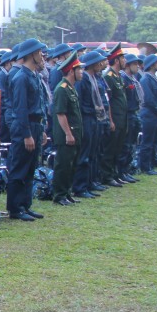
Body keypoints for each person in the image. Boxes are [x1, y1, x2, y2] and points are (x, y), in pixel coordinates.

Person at [5, 38, 48, 222]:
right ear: (31, 54)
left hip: (35, 124)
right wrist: (27, 134)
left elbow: (39, 105)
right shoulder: (21, 77)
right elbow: (20, 108)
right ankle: (15, 208)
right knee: (20, 167)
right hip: (25, 125)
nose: (42, 56)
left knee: (31, 167)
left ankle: (25, 204)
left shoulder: (34, 75)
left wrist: (41, 129)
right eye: (39, 52)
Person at [51, 51, 84, 206]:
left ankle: (67, 192)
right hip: (66, 135)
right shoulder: (62, 89)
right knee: (63, 165)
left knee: (72, 164)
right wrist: (68, 134)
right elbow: (61, 114)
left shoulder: (71, 88)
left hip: (74, 133)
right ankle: (59, 195)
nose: (81, 72)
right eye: (79, 70)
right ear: (71, 71)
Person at [74, 50, 108, 198]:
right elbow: (80, 102)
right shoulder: (84, 79)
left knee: (93, 152)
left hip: (95, 118)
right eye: (99, 62)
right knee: (85, 154)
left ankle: (90, 182)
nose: (102, 64)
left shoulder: (95, 78)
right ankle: (80, 187)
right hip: (87, 118)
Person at [100, 45, 130, 186]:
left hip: (122, 117)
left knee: (118, 147)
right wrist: (111, 120)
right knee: (110, 148)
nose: (125, 61)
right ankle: (107, 176)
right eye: (123, 58)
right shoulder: (109, 77)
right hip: (115, 118)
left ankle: (115, 173)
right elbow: (109, 101)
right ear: (117, 60)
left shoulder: (119, 76)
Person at [138, 54, 157, 175]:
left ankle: (151, 163)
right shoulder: (146, 79)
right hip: (149, 114)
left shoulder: (155, 78)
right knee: (147, 142)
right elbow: (149, 99)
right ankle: (145, 166)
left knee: (155, 141)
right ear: (152, 64)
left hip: (156, 114)